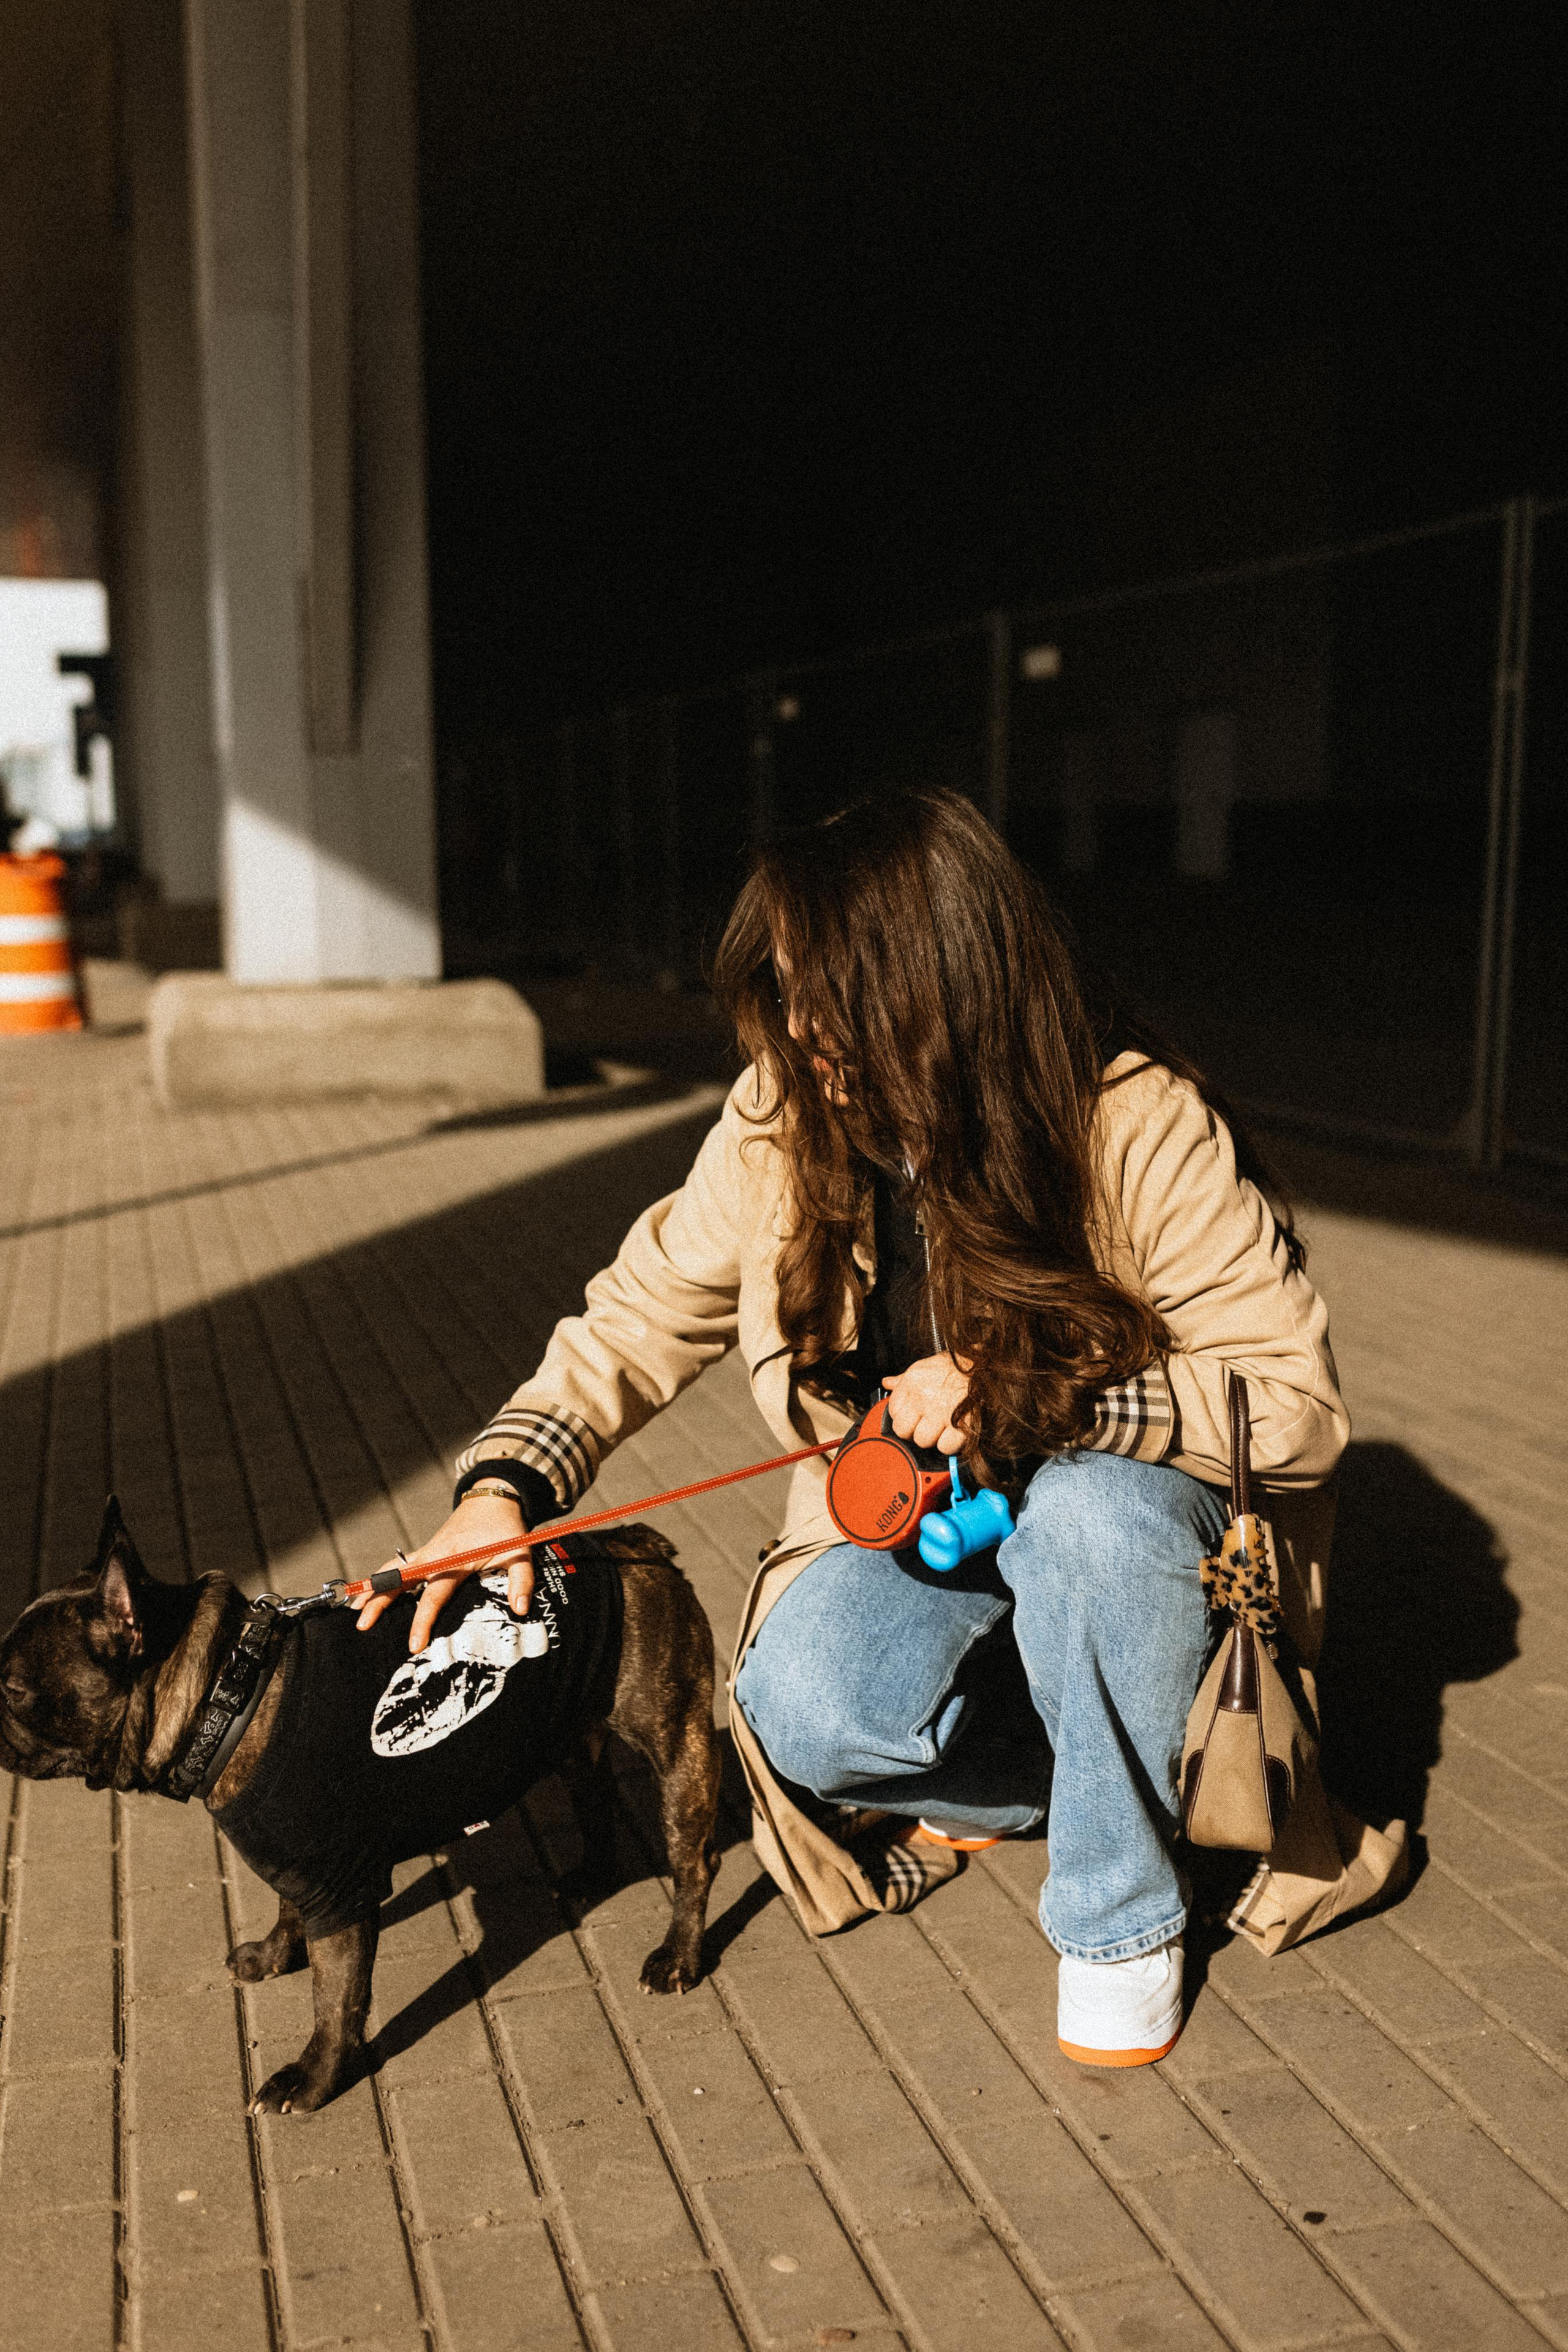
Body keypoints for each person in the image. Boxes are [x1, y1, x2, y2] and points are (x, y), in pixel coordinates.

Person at [356, 788, 1363, 2066]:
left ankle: (1121, 1918)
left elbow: (1295, 1408)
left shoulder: (1132, 1119)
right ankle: (1084, 1769)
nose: (796, 1026)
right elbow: (638, 1313)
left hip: (1119, 1537)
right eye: (778, 988)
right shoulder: (782, 1118)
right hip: (925, 1529)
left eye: (821, 989)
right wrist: (503, 1483)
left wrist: (1025, 1394)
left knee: (1092, 1523)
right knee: (803, 1704)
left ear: (934, 981)